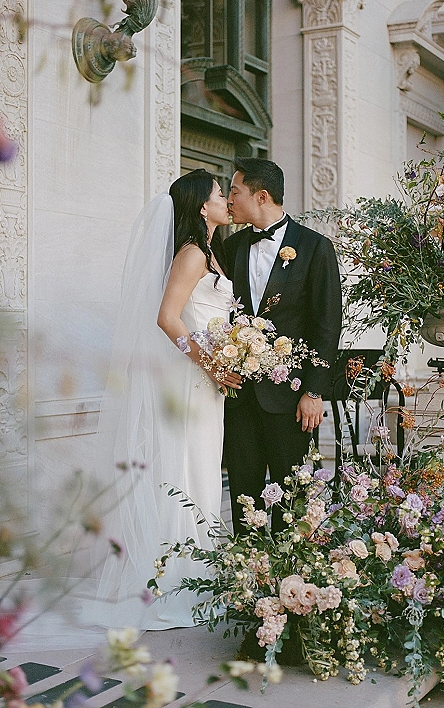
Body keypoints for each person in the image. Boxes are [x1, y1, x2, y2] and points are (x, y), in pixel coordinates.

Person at [86, 169, 239, 631]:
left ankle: (198, 575)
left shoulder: (212, 253)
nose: (226, 201)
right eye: (219, 194)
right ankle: (176, 583)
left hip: (207, 382)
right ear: (200, 206)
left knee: (203, 471)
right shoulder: (192, 254)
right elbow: (167, 318)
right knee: (186, 472)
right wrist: (211, 363)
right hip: (192, 380)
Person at [223, 157, 342, 534]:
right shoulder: (231, 247)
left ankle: (292, 581)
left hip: (292, 399)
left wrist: (313, 391)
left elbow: (327, 324)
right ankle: (248, 579)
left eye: (234, 191)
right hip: (239, 396)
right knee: (244, 493)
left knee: (293, 497)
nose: (228, 199)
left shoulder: (314, 247)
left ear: (261, 196)